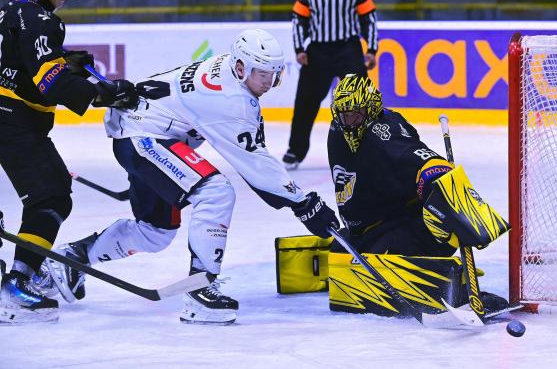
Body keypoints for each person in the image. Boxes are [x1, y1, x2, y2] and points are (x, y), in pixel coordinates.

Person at [45, 29, 340, 325]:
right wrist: (304, 203)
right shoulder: (231, 99)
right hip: (144, 137)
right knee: (216, 192)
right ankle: (201, 289)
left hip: (140, 132)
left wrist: (299, 202)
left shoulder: (229, 68)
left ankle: (73, 259)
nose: (269, 83)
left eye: (274, 74)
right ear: (241, 68)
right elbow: (255, 164)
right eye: (262, 74)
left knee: (154, 232)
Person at [0, 0, 139, 325]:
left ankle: (21, 270)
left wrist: (66, 61)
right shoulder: (43, 21)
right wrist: (105, 93)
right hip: (13, 122)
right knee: (51, 198)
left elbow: (25, 61)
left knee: (53, 189)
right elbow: (50, 83)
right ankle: (14, 287)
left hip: (9, 117)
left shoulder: (13, 9)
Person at [326, 74, 511, 314]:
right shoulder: (337, 129)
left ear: (371, 111)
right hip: (368, 227)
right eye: (343, 115)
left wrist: (445, 188)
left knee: (382, 260)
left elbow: (422, 160)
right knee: (340, 255)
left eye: (355, 115)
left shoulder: (383, 134)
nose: (347, 123)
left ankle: (460, 295)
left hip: (408, 226)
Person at [283, 0, 379, 170]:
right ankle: (295, 150)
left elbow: (369, 17)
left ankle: (369, 147)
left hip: (348, 48)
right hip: (318, 51)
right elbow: (299, 19)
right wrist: (299, 48)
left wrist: (372, 48)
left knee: (360, 100)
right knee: (305, 102)